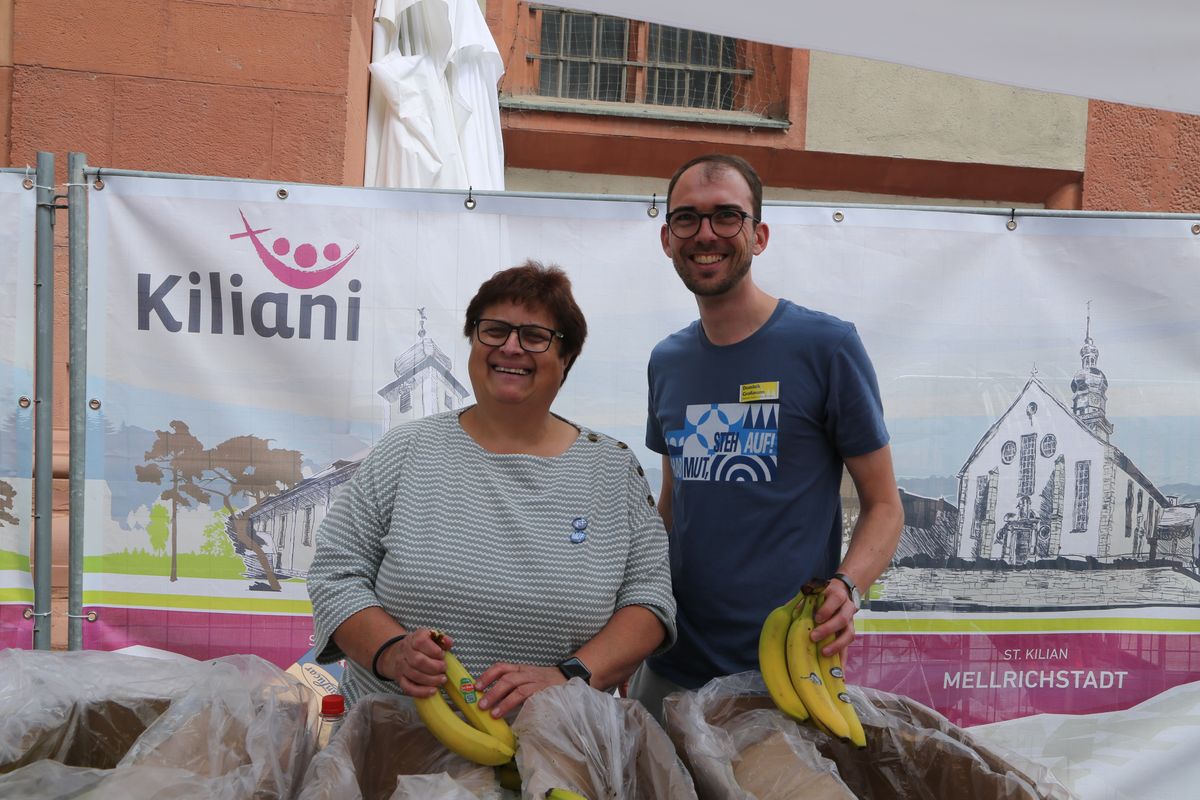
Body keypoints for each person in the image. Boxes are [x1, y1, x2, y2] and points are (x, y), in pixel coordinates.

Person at [307, 261, 675, 719]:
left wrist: (569, 677)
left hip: (557, 742)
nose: (511, 347)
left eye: (535, 336)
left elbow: (650, 600)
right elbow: (337, 572)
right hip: (394, 743)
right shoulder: (404, 450)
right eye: (494, 330)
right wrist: (390, 651)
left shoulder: (613, 469)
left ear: (566, 360)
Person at [628, 154, 903, 719]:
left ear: (759, 235)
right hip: (669, 667)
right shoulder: (667, 361)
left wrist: (847, 589)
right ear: (666, 238)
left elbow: (884, 505)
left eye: (727, 216)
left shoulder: (827, 347)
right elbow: (673, 503)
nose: (706, 234)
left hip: (782, 677)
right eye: (688, 218)